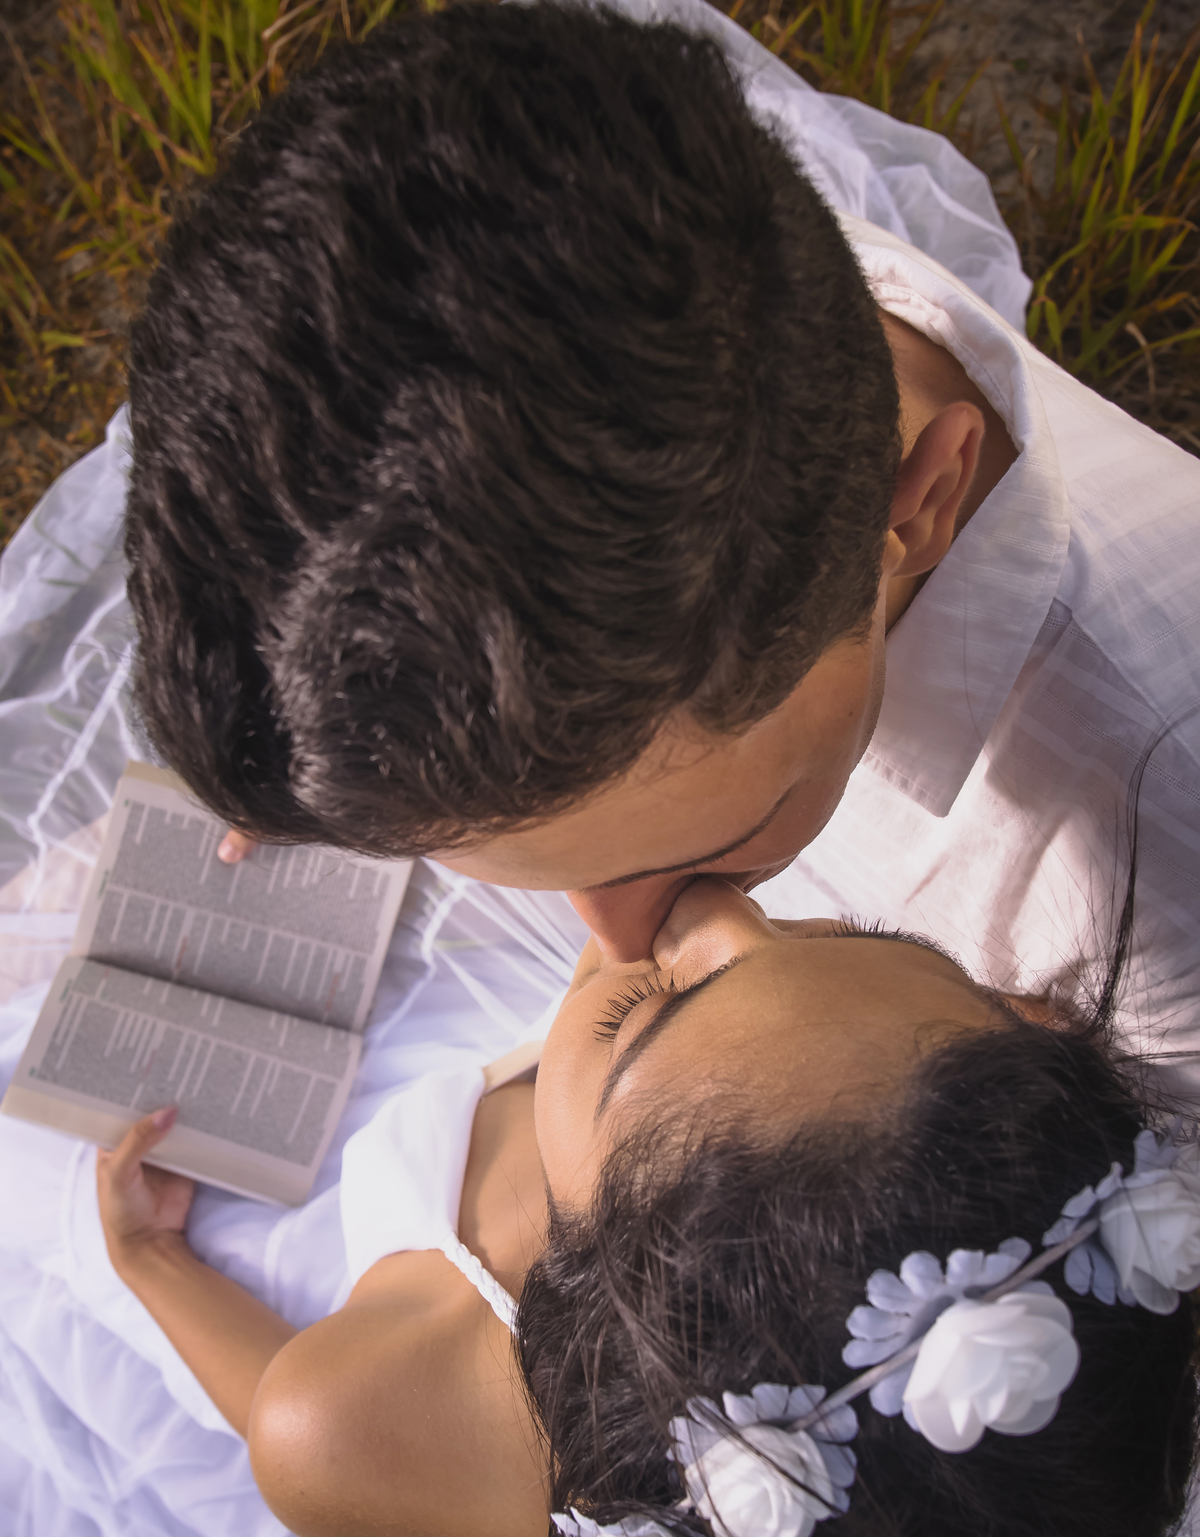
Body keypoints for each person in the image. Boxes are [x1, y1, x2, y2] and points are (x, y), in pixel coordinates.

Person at [123, 0, 1200, 1102]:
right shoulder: (637, 240)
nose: (621, 948)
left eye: (717, 845)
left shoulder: (1164, 885)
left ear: (917, 510)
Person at [94, 871, 1200, 1537]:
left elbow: (287, 1415)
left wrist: (150, 1257)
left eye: (646, 1018)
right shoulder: (970, 1099)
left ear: (578, 1299)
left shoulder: (378, 1422)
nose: (716, 903)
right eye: (875, 944)